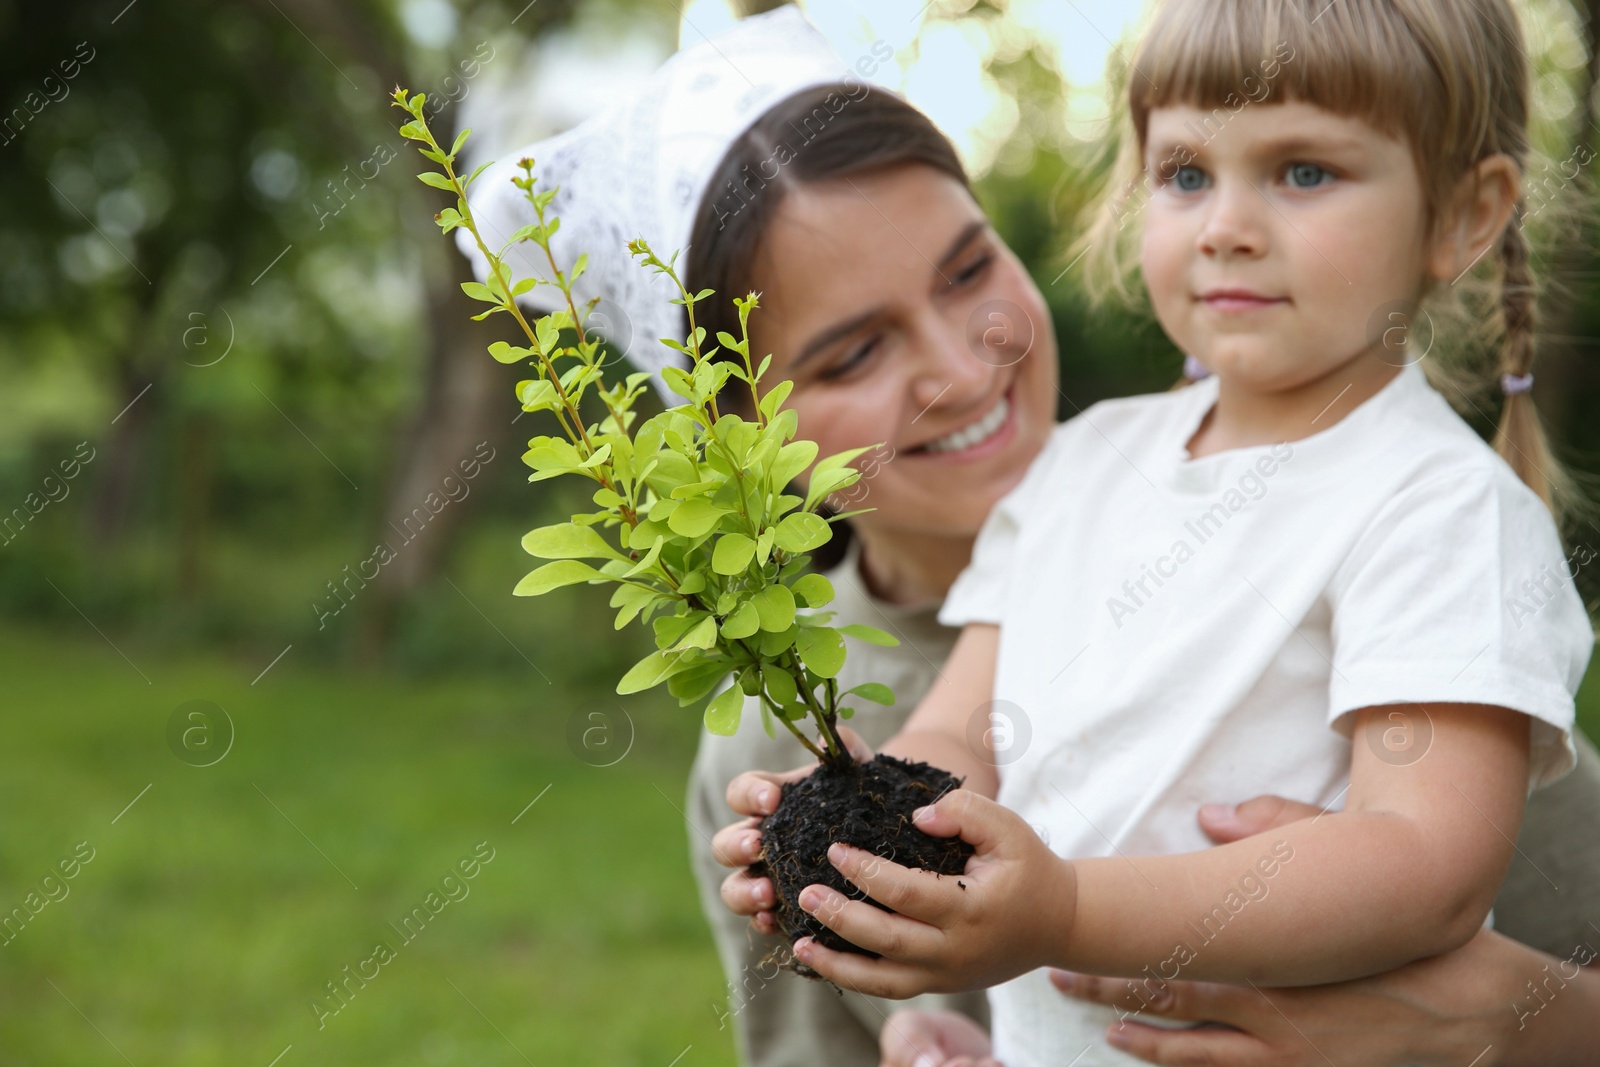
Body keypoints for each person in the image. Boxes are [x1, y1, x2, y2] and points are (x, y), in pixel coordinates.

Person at [454, 6, 1600, 1064]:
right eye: (1186, 173)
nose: (1229, 228)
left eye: (1304, 171)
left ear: (1462, 214)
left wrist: (1058, 912)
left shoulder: (1439, 512)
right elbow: (964, 733)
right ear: (738, 435)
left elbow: (1425, 868)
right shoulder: (1091, 460)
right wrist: (877, 821)